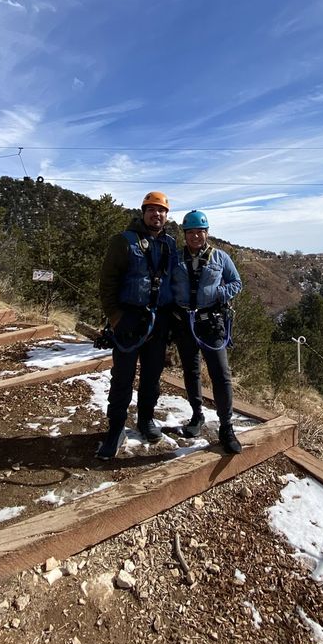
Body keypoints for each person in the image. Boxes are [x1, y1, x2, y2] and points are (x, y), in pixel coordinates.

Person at [96, 190, 178, 460]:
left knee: (152, 378)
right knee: (122, 378)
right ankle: (116, 428)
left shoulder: (170, 245)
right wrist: (115, 317)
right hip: (129, 319)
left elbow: (176, 281)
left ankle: (145, 420)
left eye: (162, 210)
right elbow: (108, 282)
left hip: (159, 321)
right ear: (143, 212)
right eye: (152, 209)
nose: (157, 214)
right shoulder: (123, 241)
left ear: (166, 216)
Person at [171, 209, 243, 454]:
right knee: (191, 371)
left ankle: (226, 426)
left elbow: (236, 282)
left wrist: (220, 294)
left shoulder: (220, 258)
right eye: (190, 232)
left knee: (221, 374)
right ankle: (197, 415)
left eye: (199, 232)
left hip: (211, 323)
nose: (195, 237)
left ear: (207, 233)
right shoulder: (175, 257)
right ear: (185, 234)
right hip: (184, 323)